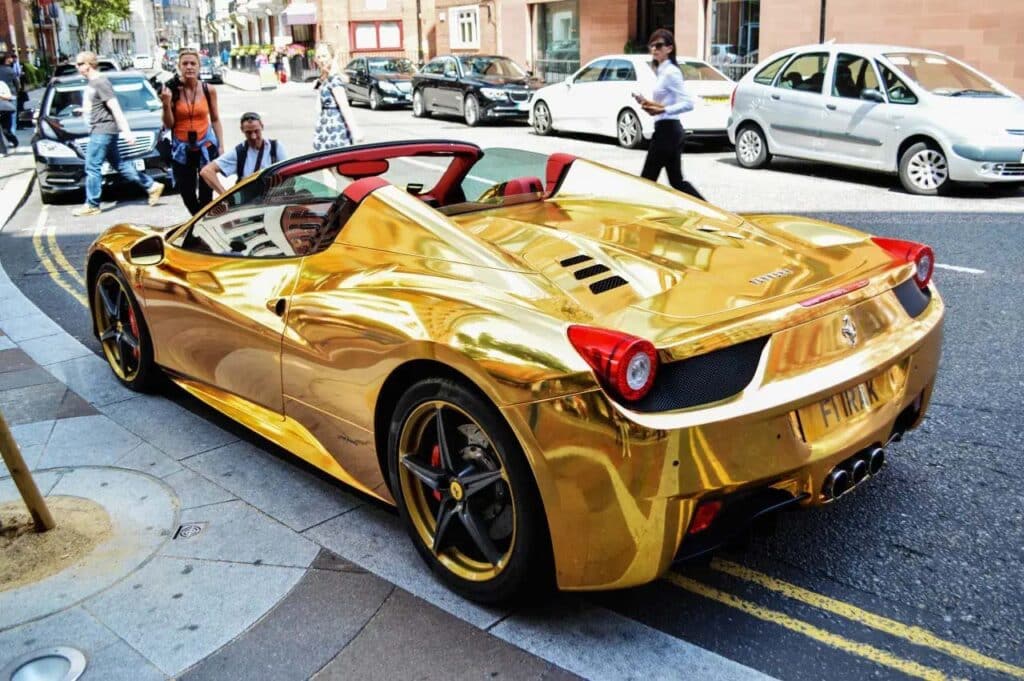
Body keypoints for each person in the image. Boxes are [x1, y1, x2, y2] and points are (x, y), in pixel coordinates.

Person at [71, 52, 164, 216]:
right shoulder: (93, 83)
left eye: (79, 64)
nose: (76, 67)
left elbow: (114, 107)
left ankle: (92, 204)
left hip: (102, 130)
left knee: (92, 167)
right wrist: (84, 111)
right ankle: (151, 186)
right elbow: (97, 106)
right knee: (120, 164)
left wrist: (127, 131)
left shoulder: (100, 82)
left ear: (88, 64)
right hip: (101, 129)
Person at [634, 29, 704, 200]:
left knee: (647, 179)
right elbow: (664, 103)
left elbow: (688, 103)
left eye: (658, 45)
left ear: (669, 48)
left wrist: (663, 110)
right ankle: (709, 211)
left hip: (668, 132)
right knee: (676, 181)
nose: (654, 49)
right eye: (652, 46)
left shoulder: (671, 72)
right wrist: (646, 102)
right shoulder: (662, 71)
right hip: (667, 131)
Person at [160, 47, 224, 215]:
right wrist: (166, 104)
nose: (189, 67)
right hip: (182, 150)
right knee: (187, 194)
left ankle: (203, 228)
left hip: (206, 147)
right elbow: (168, 124)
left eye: (193, 63)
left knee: (206, 195)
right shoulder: (172, 91)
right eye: (185, 63)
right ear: (179, 66)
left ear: (198, 66)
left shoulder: (208, 90)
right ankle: (201, 223)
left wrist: (221, 146)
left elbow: (215, 119)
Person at [199, 111, 286, 194]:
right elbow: (206, 171)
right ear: (242, 130)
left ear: (262, 126)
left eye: (256, 131)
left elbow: (288, 174)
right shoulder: (239, 152)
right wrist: (225, 195)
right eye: (248, 132)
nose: (253, 136)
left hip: (272, 197)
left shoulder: (276, 147)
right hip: (249, 201)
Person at [312, 42, 362, 151]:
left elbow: (344, 106)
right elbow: (318, 107)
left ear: (332, 57)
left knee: (334, 164)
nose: (321, 60)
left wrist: (355, 130)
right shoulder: (325, 78)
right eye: (318, 57)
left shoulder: (334, 80)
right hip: (324, 125)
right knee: (324, 165)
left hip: (336, 127)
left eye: (324, 56)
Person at [0, 52, 19, 148]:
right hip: (11, 95)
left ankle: (5, 138)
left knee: (3, 120)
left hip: (1, 97)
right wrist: (17, 92)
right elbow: (17, 83)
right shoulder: (10, 70)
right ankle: (12, 136)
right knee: (12, 117)